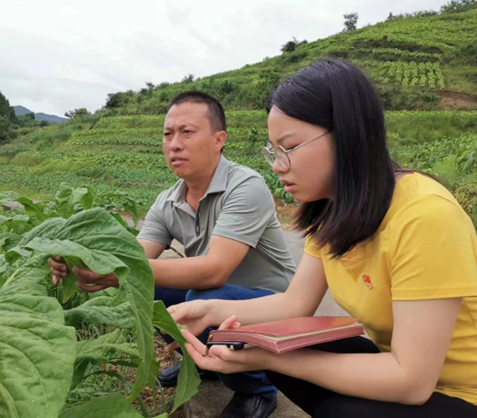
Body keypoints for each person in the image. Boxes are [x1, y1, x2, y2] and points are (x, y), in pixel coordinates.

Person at [168, 61, 477, 418]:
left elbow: (411, 380)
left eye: (289, 147)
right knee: (258, 336)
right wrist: (209, 311)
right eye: (273, 151)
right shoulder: (331, 211)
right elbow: (294, 305)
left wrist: (272, 357)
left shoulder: (425, 215)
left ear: (347, 135)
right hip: (399, 367)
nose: (277, 165)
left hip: (460, 392)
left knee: (341, 408)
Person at [49, 91, 297, 418]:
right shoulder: (167, 200)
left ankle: (259, 389)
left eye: (187, 132)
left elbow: (215, 271)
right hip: (217, 297)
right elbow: (133, 256)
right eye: (168, 134)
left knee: (200, 295)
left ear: (218, 139)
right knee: (148, 288)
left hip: (274, 304)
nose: (174, 144)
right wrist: (81, 257)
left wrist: (120, 270)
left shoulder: (245, 186)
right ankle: (202, 359)